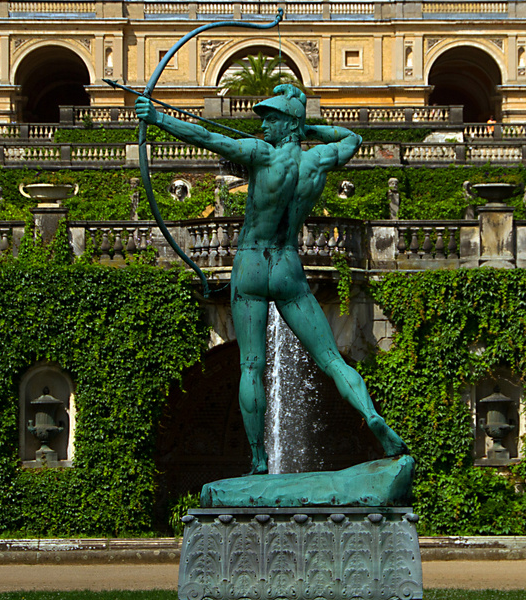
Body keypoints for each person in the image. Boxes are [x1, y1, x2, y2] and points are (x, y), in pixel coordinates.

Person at [137, 84, 406, 473]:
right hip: (287, 266)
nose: (264, 125)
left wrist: (157, 117)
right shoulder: (318, 161)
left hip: (250, 263)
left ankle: (259, 459)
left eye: (273, 118)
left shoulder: (260, 155)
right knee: (331, 358)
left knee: (251, 366)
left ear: (288, 123)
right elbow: (354, 137)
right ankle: (370, 414)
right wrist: (311, 132)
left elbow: (207, 137)